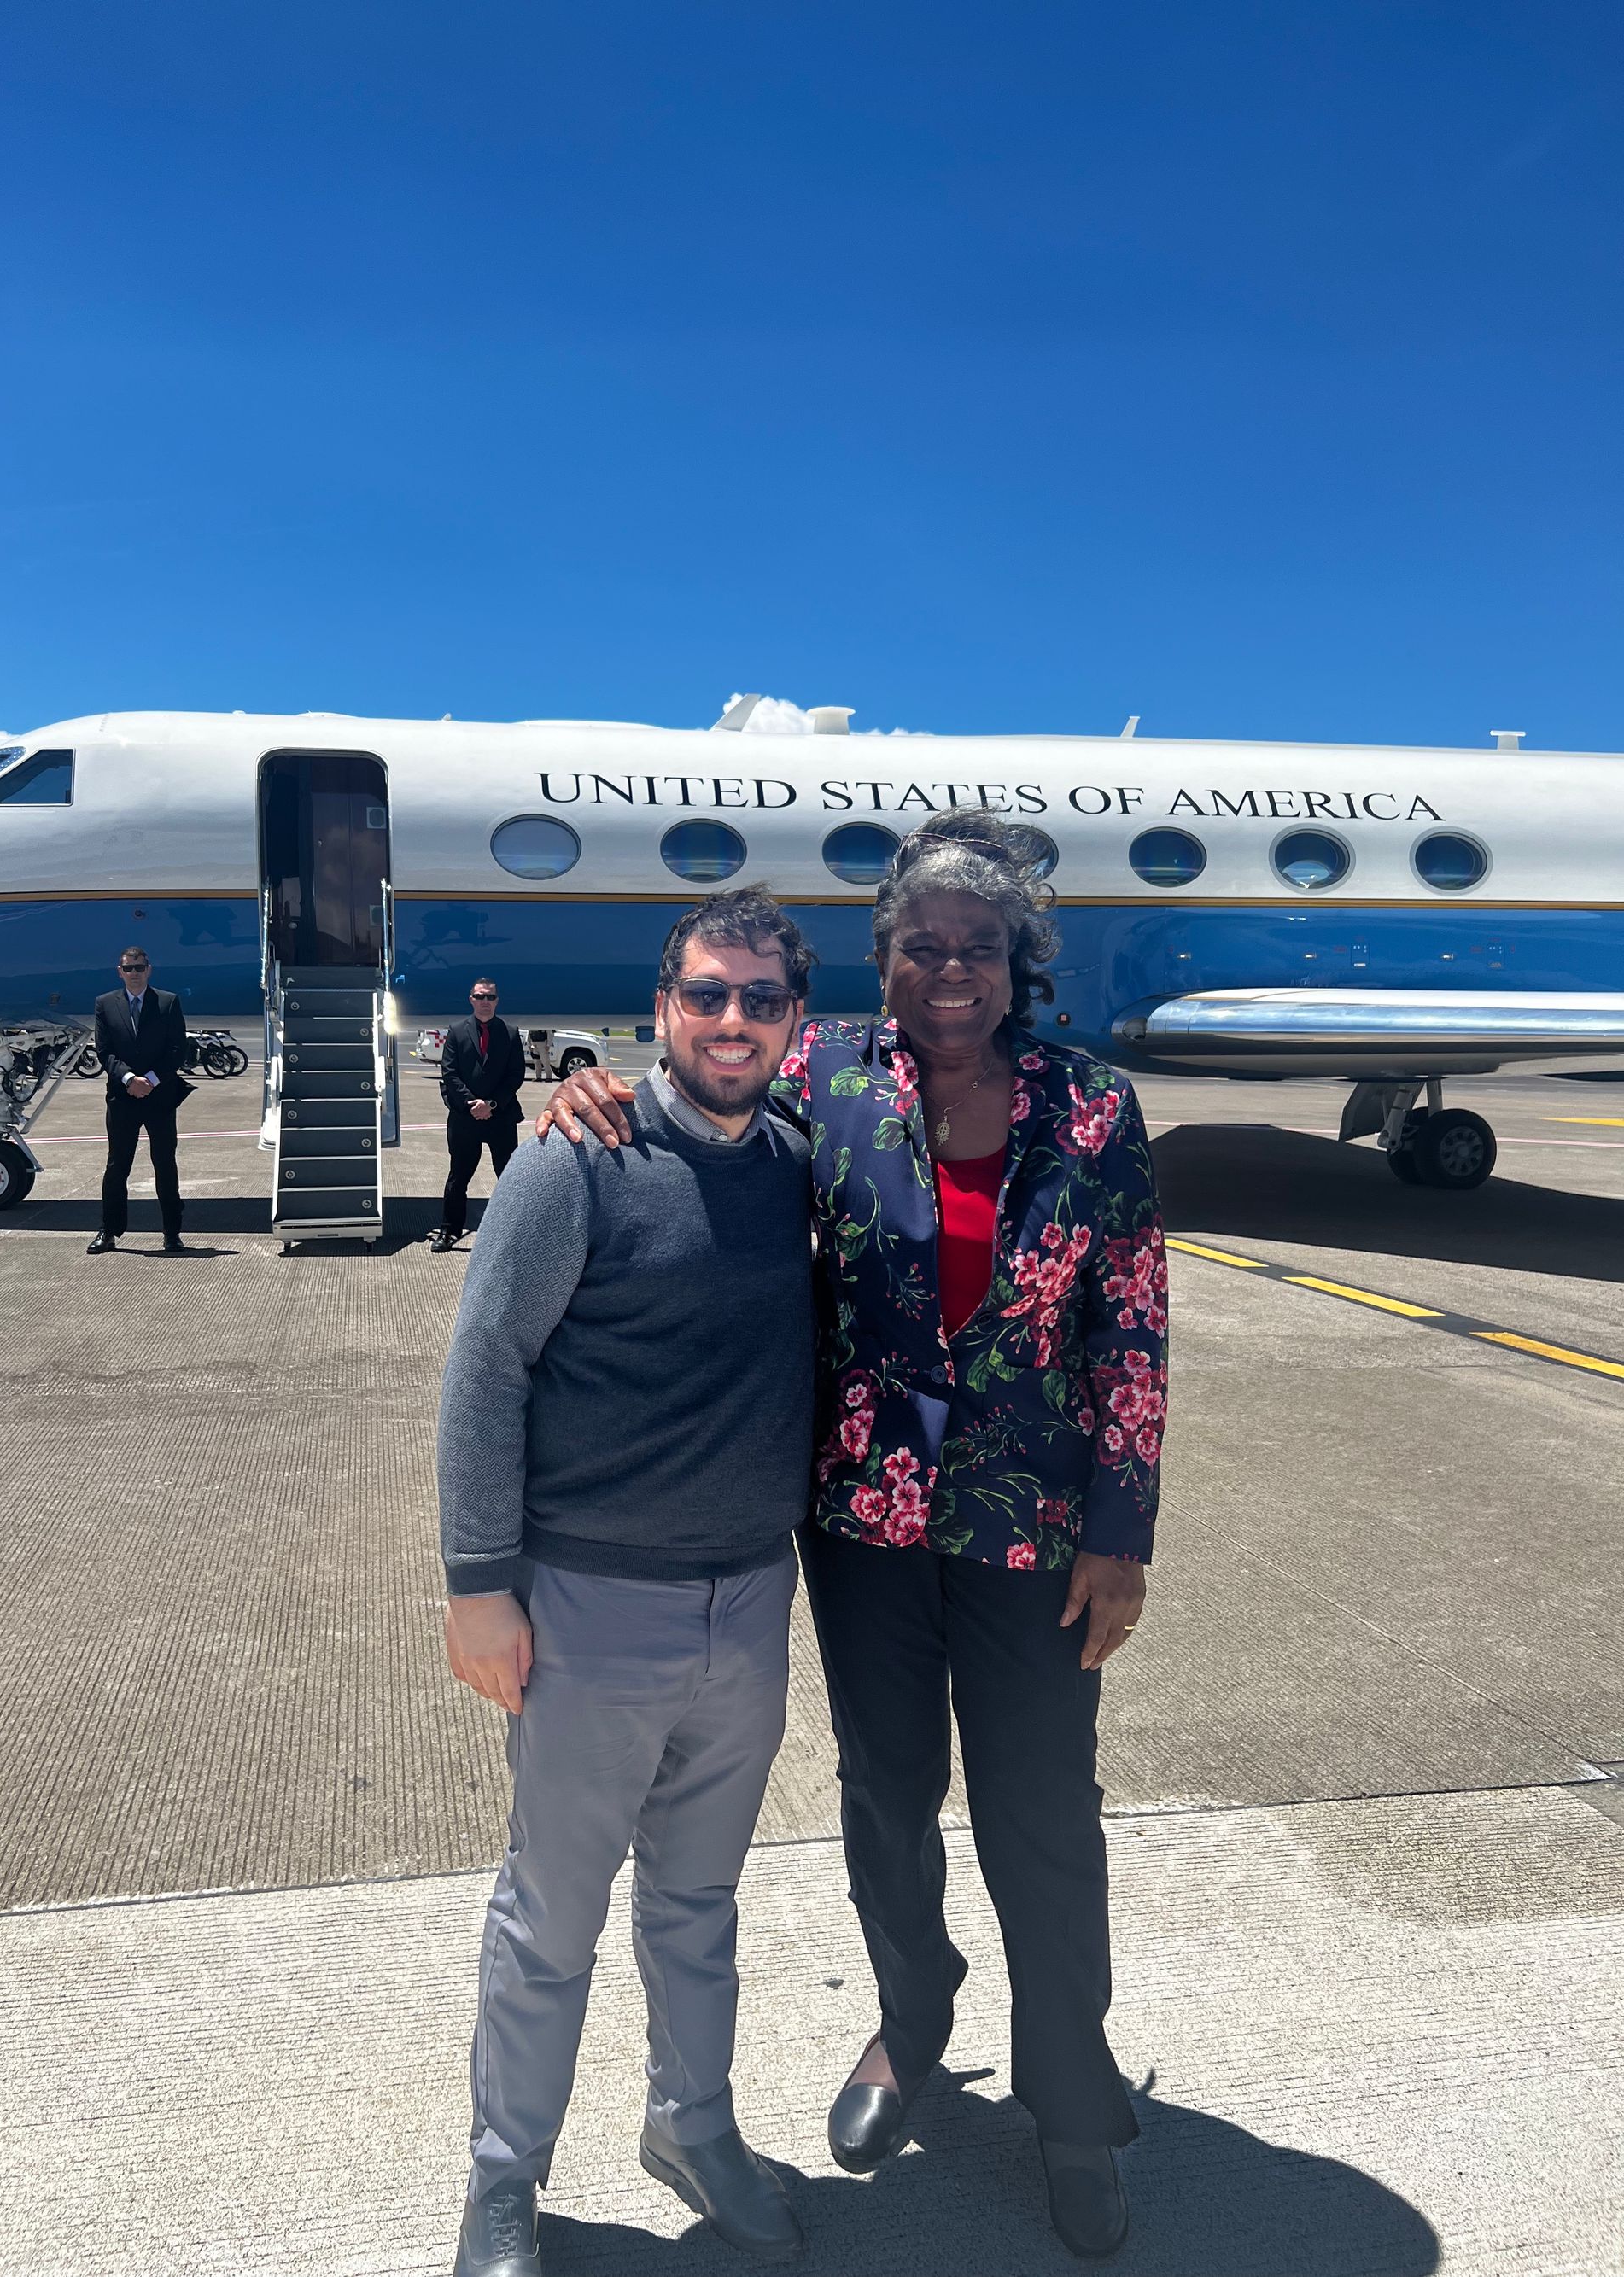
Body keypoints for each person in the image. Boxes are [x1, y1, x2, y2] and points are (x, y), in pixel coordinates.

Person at [541, 811, 1166, 2261]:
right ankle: (911, 2022)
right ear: (881, 968)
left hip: (1033, 1524)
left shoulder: (1092, 1108)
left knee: (1041, 1813)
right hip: (867, 1515)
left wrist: (1122, 1526)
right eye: (921, 949)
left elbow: (1130, 1326)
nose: (950, 971)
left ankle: (1073, 2101)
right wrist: (590, 1091)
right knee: (887, 1789)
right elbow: (703, 1107)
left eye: (979, 950)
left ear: (1021, 966)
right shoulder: (827, 1077)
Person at [437, 887, 817, 2277]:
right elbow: (485, 1364)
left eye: (759, 999)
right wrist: (481, 1581)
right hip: (592, 1602)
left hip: (747, 1606)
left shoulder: (795, 1157)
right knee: (554, 1913)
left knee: (698, 1904)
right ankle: (503, 2180)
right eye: (706, 994)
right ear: (661, 1007)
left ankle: (691, 2122)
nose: (731, 1019)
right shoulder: (574, 1159)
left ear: (792, 1020)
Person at [88, 947, 194, 1255]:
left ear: (149, 970)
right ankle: (109, 1231)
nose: (134, 973)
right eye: (128, 968)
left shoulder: (168, 1002)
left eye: (139, 967)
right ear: (119, 971)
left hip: (159, 1096)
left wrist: (151, 1080)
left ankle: (172, 1233)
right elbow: (104, 1051)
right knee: (117, 1165)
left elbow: (177, 1049)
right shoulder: (105, 1004)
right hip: (123, 1097)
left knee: (165, 1163)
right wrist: (129, 1079)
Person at [431, 980, 528, 1254]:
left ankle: (515, 1232)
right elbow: (449, 1073)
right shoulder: (457, 1032)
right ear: (471, 999)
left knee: (509, 1177)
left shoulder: (510, 1034)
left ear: (497, 1001)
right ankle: (449, 1230)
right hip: (465, 1118)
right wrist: (473, 1104)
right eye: (480, 996)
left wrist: (491, 1103)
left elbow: (515, 1075)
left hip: (501, 1118)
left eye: (490, 997)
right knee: (458, 1178)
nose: (485, 1001)